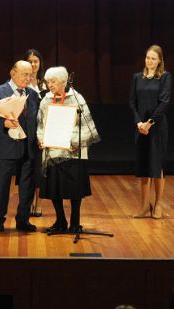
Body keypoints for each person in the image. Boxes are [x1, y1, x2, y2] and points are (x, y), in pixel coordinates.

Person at [37, 66, 100, 233]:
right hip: (53, 151)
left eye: (54, 82)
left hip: (73, 152)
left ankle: (75, 222)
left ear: (64, 82)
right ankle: (60, 220)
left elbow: (87, 125)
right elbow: (40, 125)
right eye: (48, 81)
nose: (50, 85)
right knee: (54, 189)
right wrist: (41, 139)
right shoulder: (45, 100)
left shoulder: (77, 99)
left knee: (75, 190)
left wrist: (75, 141)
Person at [0, 60, 39, 232]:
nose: (28, 78)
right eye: (25, 74)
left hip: (28, 147)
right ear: (12, 73)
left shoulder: (33, 94)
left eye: (30, 75)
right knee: (2, 185)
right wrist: (3, 123)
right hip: (6, 147)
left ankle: (23, 219)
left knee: (27, 185)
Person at [129, 45, 172, 219]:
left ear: (159, 60)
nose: (150, 61)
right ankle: (145, 206)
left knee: (156, 166)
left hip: (157, 127)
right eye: (148, 57)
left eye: (153, 58)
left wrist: (150, 123)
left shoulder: (165, 77)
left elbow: (164, 102)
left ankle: (158, 204)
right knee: (144, 166)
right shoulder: (137, 78)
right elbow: (132, 102)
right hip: (141, 128)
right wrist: (139, 122)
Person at [23, 49, 48, 217]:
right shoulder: (22, 82)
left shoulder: (45, 83)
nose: (33, 64)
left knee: (39, 169)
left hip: (42, 131)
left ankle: (38, 203)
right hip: (26, 131)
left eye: (36, 61)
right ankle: (27, 202)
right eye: (30, 61)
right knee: (27, 169)